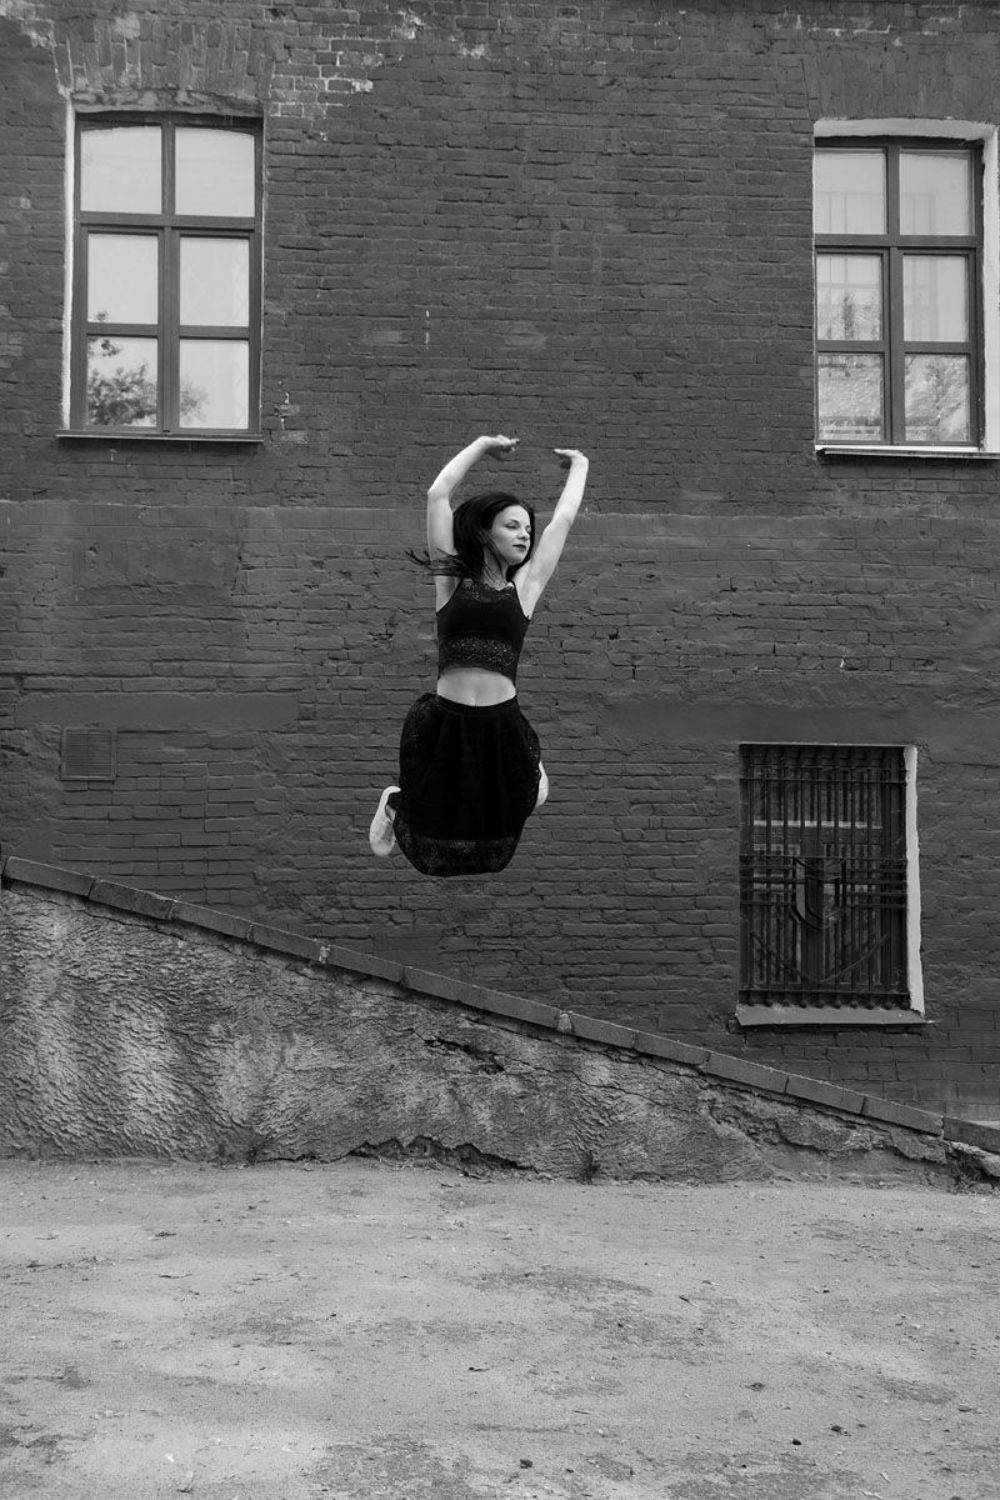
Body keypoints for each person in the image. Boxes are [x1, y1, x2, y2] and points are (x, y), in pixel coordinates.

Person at [368, 433, 590, 877]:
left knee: (523, 802)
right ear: (484, 532)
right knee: (436, 820)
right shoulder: (451, 581)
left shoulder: (524, 590)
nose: (524, 535)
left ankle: (532, 774)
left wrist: (581, 464)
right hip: (447, 719)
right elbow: (438, 495)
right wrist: (482, 445)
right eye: (512, 526)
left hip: (501, 722)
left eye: (527, 529)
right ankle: (394, 804)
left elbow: (562, 521)